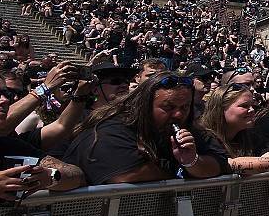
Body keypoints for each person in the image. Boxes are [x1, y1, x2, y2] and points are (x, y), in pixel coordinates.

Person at [63, 72, 227, 185]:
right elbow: (126, 174)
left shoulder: (188, 128)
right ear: (145, 105)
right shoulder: (110, 129)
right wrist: (181, 169)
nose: (178, 114)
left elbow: (219, 164)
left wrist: (192, 161)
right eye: (168, 107)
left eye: (184, 107)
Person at [199, 84, 269, 178]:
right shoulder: (205, 137)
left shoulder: (251, 134)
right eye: (244, 106)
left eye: (252, 105)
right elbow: (228, 164)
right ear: (221, 109)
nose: (251, 110)